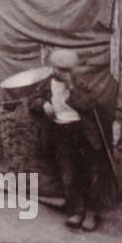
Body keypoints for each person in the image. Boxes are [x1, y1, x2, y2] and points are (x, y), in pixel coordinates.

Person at [29, 49, 107, 232]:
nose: (62, 73)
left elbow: (88, 105)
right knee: (68, 175)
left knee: (89, 175)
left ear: (72, 70)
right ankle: (76, 211)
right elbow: (33, 100)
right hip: (60, 132)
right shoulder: (47, 84)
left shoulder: (80, 84)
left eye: (66, 70)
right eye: (59, 69)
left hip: (82, 132)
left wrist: (71, 88)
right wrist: (43, 103)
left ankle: (91, 214)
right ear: (54, 68)